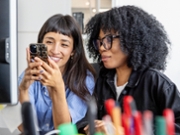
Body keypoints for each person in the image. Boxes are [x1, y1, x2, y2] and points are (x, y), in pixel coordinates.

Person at [84, 5, 180, 134]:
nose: (101, 48)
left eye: (108, 40)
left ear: (131, 40)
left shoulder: (155, 81)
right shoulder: (102, 78)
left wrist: (128, 131)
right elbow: (84, 119)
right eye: (100, 42)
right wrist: (92, 125)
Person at [18, 14, 96, 135]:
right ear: (41, 44)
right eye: (49, 42)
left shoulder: (84, 79)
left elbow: (63, 130)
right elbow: (24, 126)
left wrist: (58, 86)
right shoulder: (29, 75)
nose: (55, 50)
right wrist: (23, 89)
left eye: (64, 44)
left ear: (73, 51)